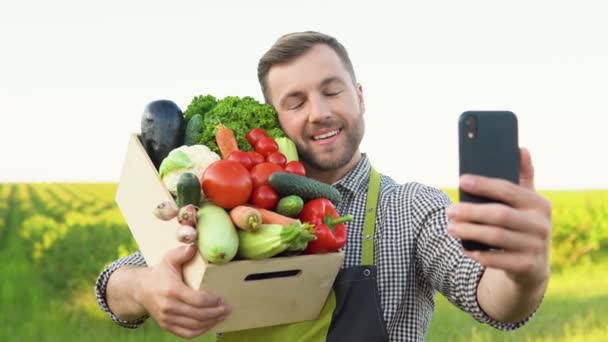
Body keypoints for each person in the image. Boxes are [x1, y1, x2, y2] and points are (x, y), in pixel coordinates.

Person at [95, 31, 552, 341]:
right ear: (276, 119)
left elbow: (495, 301)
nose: (318, 112)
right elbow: (113, 283)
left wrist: (523, 271)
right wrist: (144, 289)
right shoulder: (232, 202)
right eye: (295, 102)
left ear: (360, 96)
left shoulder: (411, 208)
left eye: (332, 91)